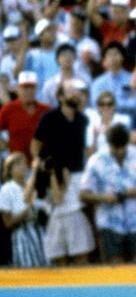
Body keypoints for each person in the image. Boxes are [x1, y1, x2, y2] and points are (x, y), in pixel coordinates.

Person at [80, 125, 136, 264]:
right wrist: (103, 197)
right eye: (115, 148)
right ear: (109, 144)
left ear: (127, 142)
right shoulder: (96, 160)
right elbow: (83, 194)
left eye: (122, 147)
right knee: (115, 273)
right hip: (110, 224)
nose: (119, 151)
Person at [31, 80, 95, 265]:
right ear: (60, 97)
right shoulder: (49, 118)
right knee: (57, 228)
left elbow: (87, 151)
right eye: (70, 91)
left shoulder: (83, 120)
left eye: (77, 91)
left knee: (79, 231)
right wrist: (44, 169)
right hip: (55, 179)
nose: (75, 94)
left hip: (77, 178)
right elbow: (35, 147)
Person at [0, 152, 47, 267]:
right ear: (10, 170)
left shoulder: (32, 186)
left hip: (41, 233)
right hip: (22, 237)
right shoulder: (6, 189)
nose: (23, 167)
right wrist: (28, 209)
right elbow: (8, 222)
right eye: (18, 164)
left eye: (24, 163)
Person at [0, 72, 50, 161]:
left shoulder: (46, 110)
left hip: (41, 165)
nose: (28, 91)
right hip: (17, 167)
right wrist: (3, 144)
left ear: (36, 89)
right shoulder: (8, 109)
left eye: (31, 87)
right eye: (25, 88)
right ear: (18, 89)